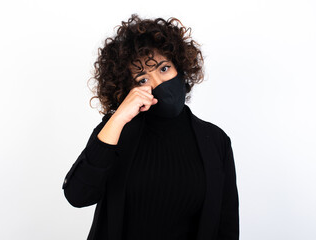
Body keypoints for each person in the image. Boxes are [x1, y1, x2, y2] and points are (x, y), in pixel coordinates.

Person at [62, 14, 239, 240]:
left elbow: (227, 226)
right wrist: (116, 119)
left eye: (164, 69)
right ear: (128, 88)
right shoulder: (117, 131)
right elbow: (78, 195)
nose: (157, 84)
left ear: (181, 68)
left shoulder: (215, 140)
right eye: (142, 79)